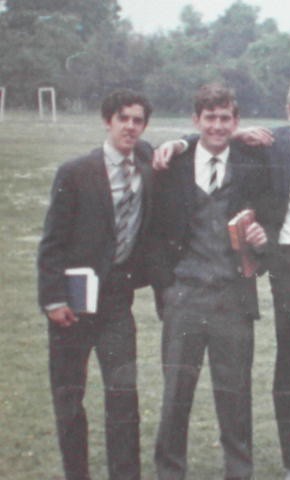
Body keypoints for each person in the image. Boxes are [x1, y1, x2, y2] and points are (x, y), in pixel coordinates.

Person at [154, 75, 290, 480]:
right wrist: (180, 142)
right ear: (288, 112)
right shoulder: (271, 145)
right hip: (288, 265)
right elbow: (214, 136)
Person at [148, 83, 267, 480]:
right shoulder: (172, 164)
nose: (217, 126)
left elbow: (270, 216)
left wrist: (262, 242)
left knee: (235, 395)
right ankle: (169, 471)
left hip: (233, 298)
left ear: (236, 121)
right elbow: (154, 233)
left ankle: (239, 471)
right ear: (195, 120)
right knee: (176, 393)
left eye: (225, 118)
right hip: (185, 296)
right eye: (210, 118)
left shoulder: (252, 162)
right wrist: (168, 288)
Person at [37, 89, 154, 480]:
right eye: (123, 118)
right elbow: (52, 242)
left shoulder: (147, 162)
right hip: (72, 301)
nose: (130, 127)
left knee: (123, 396)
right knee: (69, 397)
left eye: (138, 120)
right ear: (108, 121)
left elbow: (193, 143)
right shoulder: (75, 172)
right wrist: (54, 300)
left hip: (116, 301)